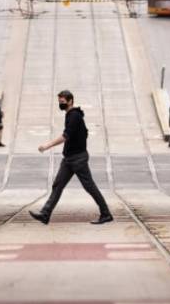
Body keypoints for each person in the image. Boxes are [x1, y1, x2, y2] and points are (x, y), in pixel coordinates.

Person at [29, 90, 112, 226]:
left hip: (77, 159)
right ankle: (45, 214)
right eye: (59, 102)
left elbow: (65, 136)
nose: (60, 104)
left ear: (70, 101)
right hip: (69, 159)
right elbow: (84, 133)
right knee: (58, 185)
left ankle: (106, 214)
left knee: (89, 186)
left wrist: (47, 146)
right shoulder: (71, 115)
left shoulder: (74, 116)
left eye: (62, 102)